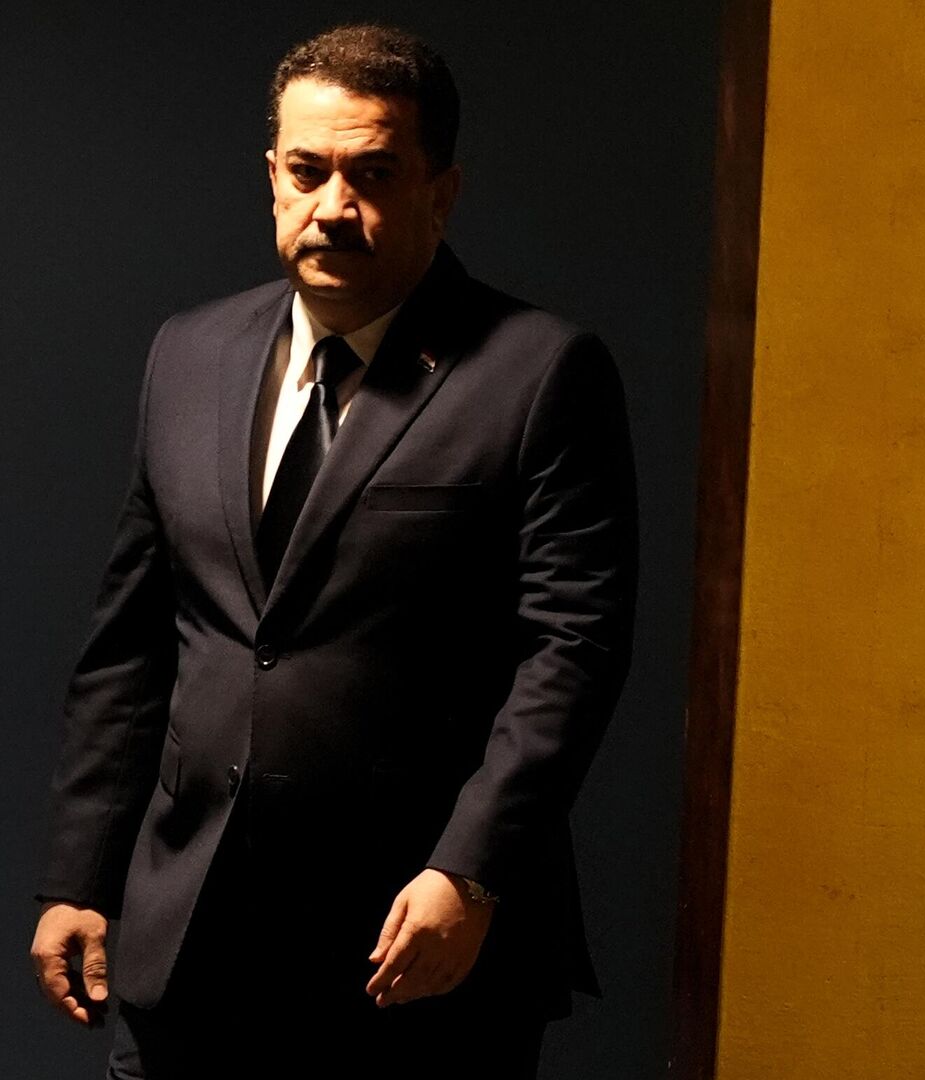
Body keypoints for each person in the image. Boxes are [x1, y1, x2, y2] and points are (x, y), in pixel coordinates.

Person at [26, 24, 638, 1078]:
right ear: (273, 176)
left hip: (414, 946)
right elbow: (132, 642)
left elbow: (572, 653)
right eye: (308, 172)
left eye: (374, 174)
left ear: (442, 192)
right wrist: (79, 875)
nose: (334, 206)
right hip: (191, 939)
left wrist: (471, 872)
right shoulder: (189, 354)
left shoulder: (542, 371)